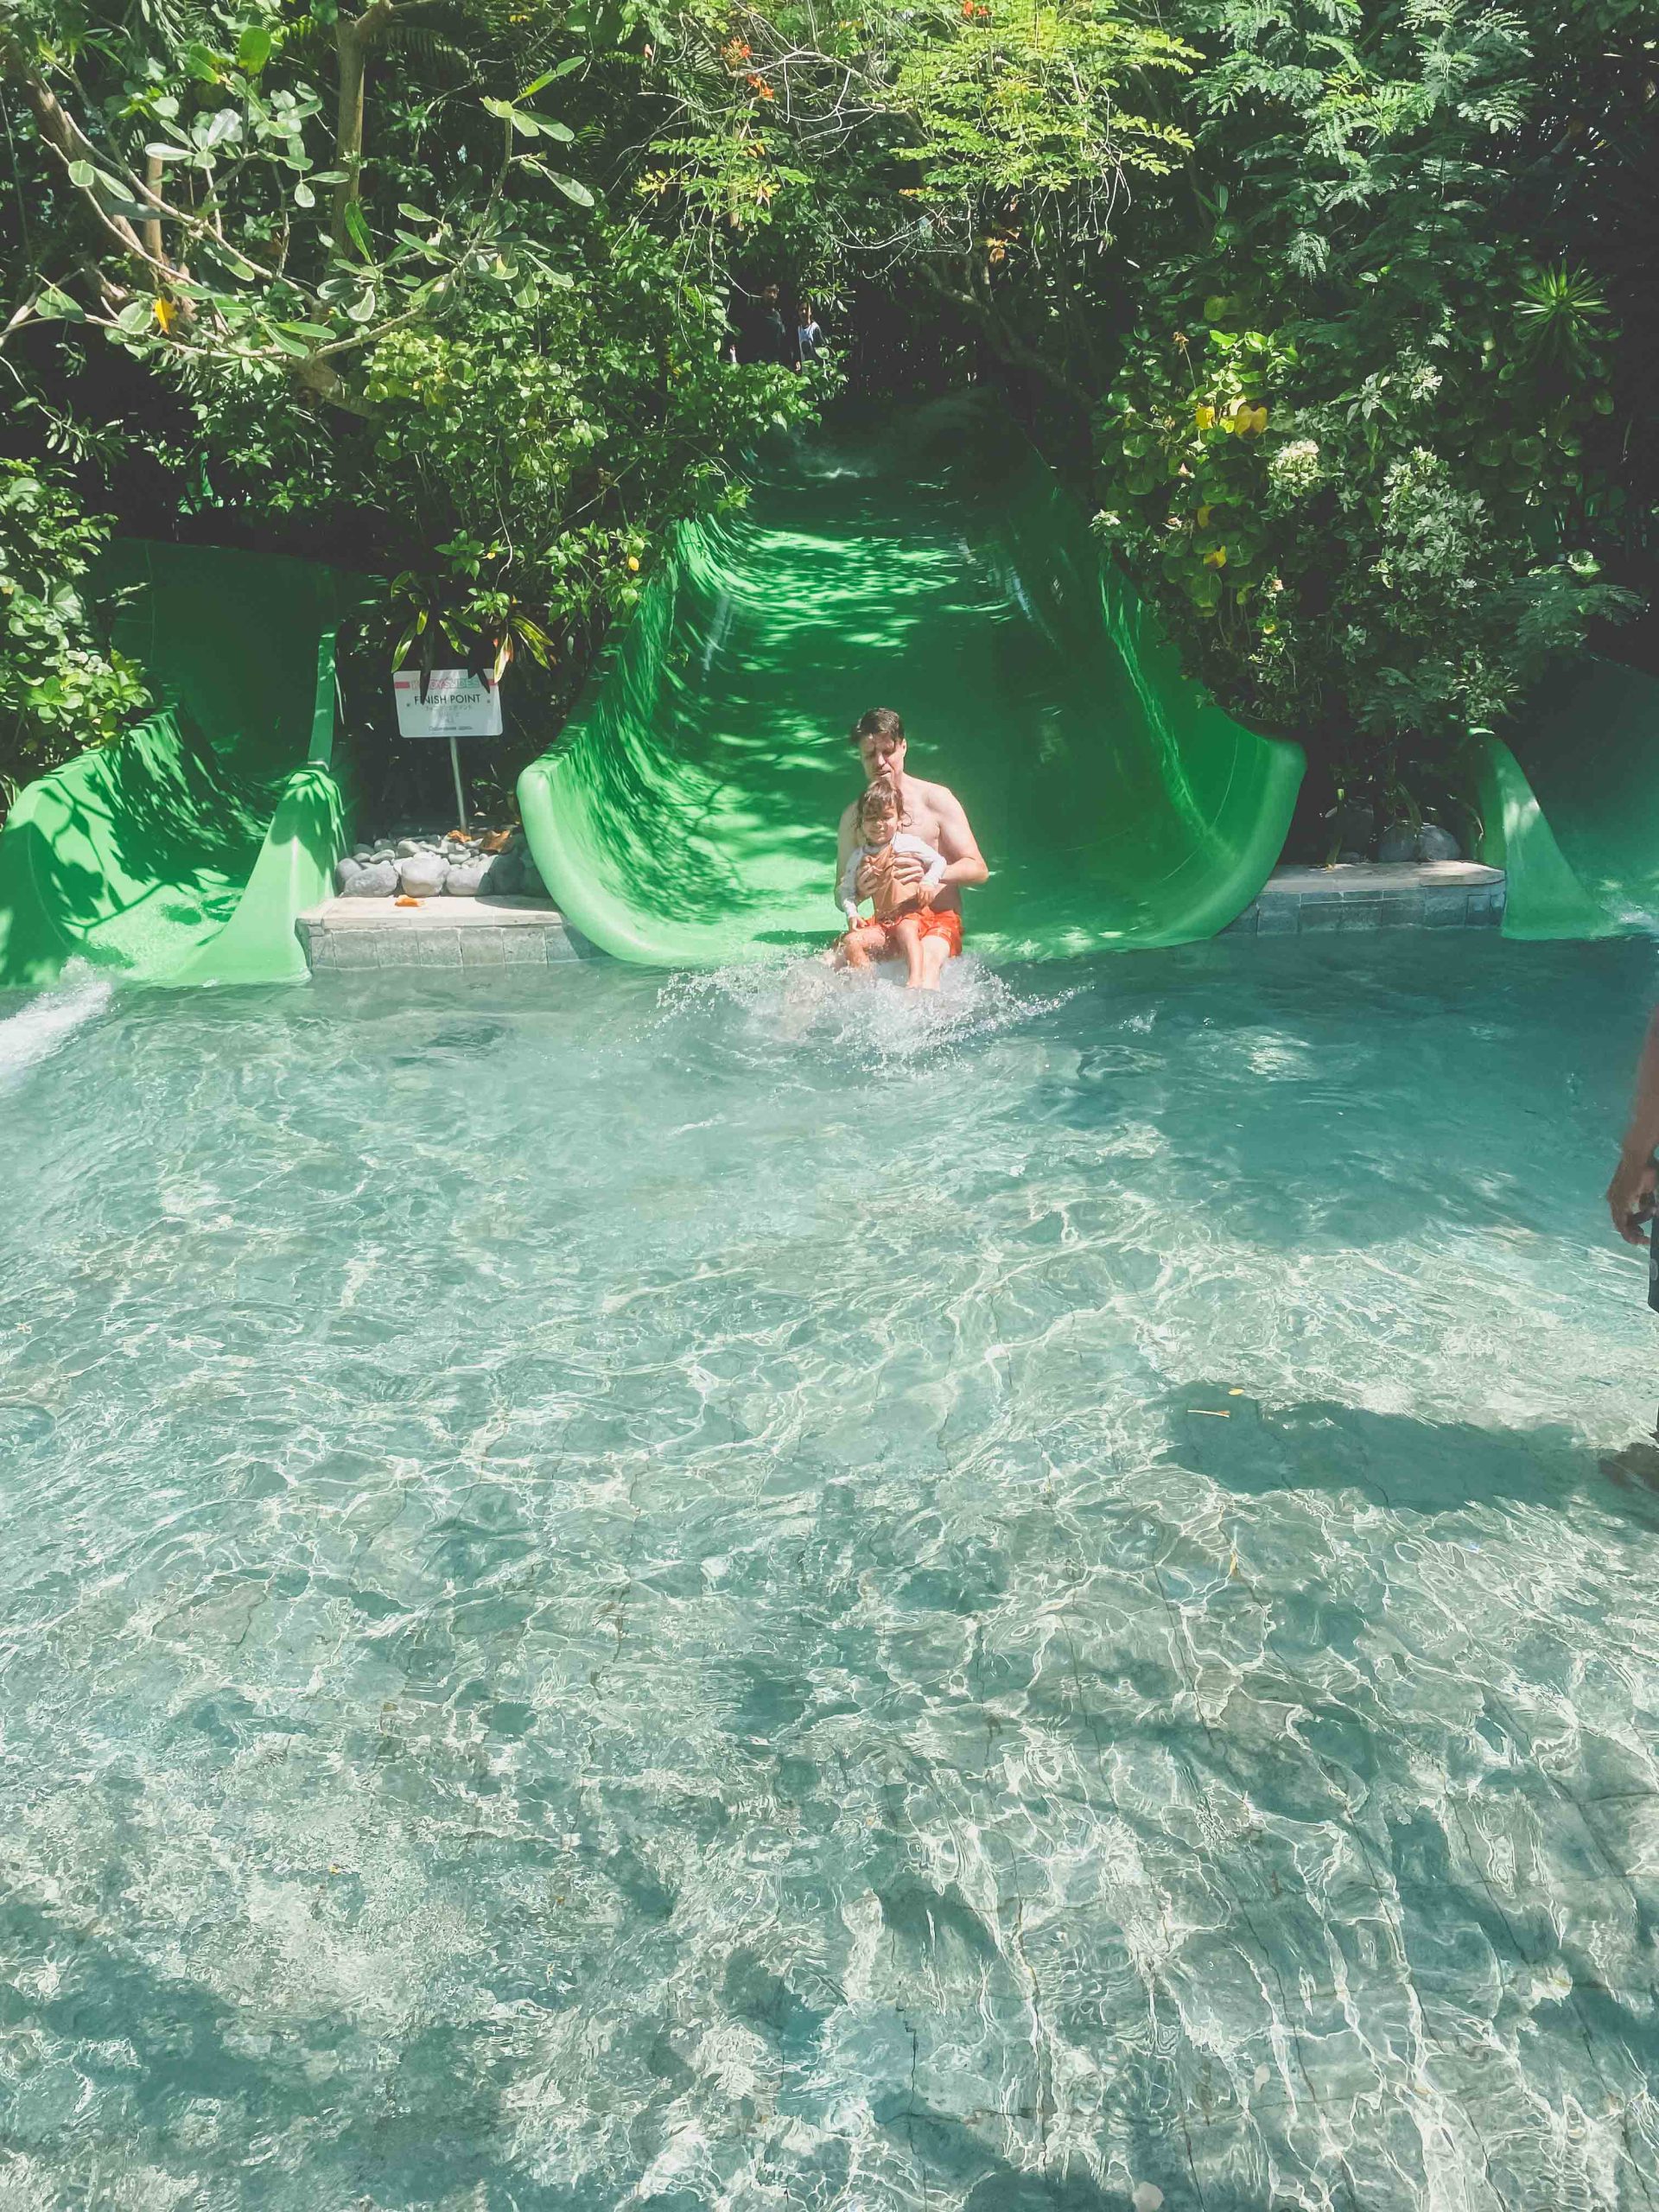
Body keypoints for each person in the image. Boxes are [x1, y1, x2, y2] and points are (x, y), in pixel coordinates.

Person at [834, 706, 988, 989]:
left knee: (926, 967)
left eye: (888, 751)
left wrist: (932, 875)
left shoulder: (936, 800)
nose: (880, 762)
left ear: (904, 746)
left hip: (937, 919)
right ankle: (786, 1032)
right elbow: (839, 892)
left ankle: (923, 1029)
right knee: (818, 969)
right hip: (885, 923)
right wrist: (859, 889)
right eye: (869, 755)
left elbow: (978, 870)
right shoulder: (853, 818)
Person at [833, 780, 950, 988]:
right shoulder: (858, 858)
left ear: (899, 819)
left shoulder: (908, 844)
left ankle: (915, 982)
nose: (879, 824)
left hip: (915, 916)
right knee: (852, 942)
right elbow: (845, 891)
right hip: (884, 924)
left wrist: (928, 882)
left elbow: (939, 861)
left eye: (886, 817)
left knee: (905, 928)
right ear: (860, 822)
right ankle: (868, 986)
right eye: (871, 818)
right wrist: (852, 913)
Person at [797, 301, 823, 365]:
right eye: (801, 310)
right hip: (804, 370)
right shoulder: (798, 329)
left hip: (816, 369)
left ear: (810, 312)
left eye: (806, 309)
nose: (804, 312)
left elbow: (822, 350)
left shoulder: (815, 328)